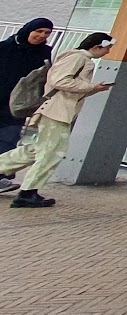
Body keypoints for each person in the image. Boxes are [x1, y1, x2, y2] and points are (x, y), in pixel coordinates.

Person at [0, 32, 115, 208]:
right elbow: (59, 81)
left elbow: (66, 86)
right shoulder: (78, 58)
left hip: (55, 111)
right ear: (96, 47)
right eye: (107, 48)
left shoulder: (77, 58)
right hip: (56, 112)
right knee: (52, 153)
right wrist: (91, 86)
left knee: (36, 150)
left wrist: (94, 89)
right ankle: (28, 192)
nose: (108, 52)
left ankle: (17, 181)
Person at [0, 18, 56, 193]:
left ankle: (1, 177)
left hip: (16, 106)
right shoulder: (4, 48)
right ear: (28, 30)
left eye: (47, 33)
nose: (42, 35)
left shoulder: (44, 53)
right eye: (38, 31)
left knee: (8, 138)